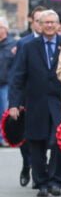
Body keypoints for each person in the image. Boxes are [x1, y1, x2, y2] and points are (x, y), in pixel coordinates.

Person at [9, 10, 61, 197]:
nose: (49, 26)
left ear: (59, 25)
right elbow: (18, 76)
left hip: (59, 102)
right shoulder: (28, 46)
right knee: (37, 142)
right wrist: (14, 104)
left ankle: (56, 180)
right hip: (36, 101)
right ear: (39, 25)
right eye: (46, 22)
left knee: (60, 140)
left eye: (53, 22)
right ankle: (41, 181)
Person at [0, 17, 17, 146]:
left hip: (6, 84)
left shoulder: (13, 45)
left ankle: (4, 137)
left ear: (5, 29)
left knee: (5, 112)